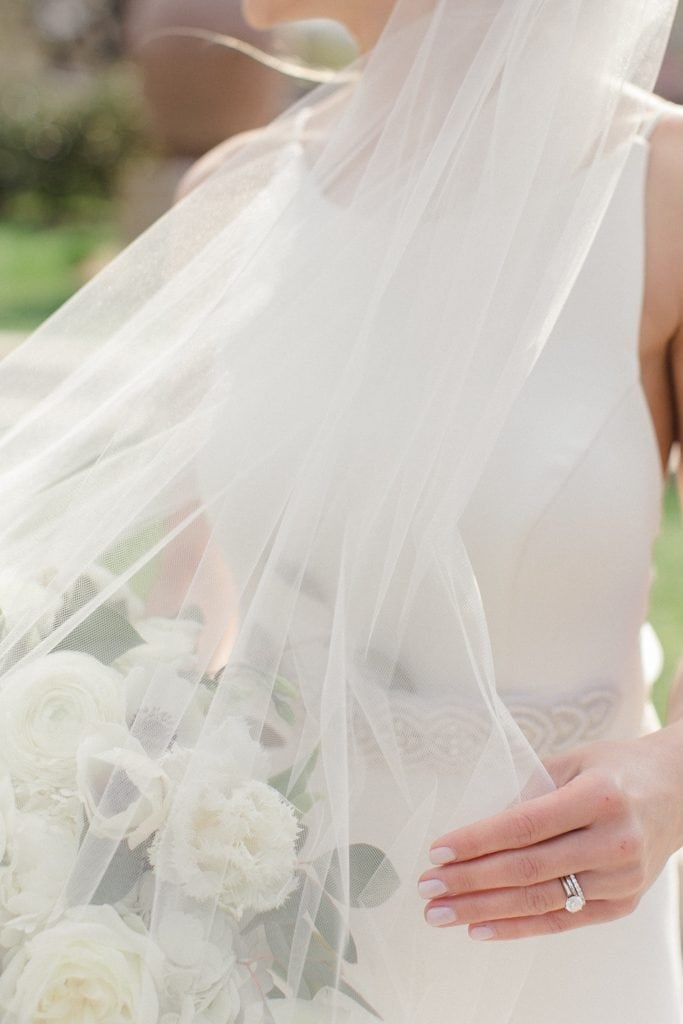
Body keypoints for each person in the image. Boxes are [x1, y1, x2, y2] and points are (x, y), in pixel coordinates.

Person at [0, 1, 681, 1022]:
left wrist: (667, 784)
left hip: (564, 946)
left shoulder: (657, 191)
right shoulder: (232, 202)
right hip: (261, 941)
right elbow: (191, 605)